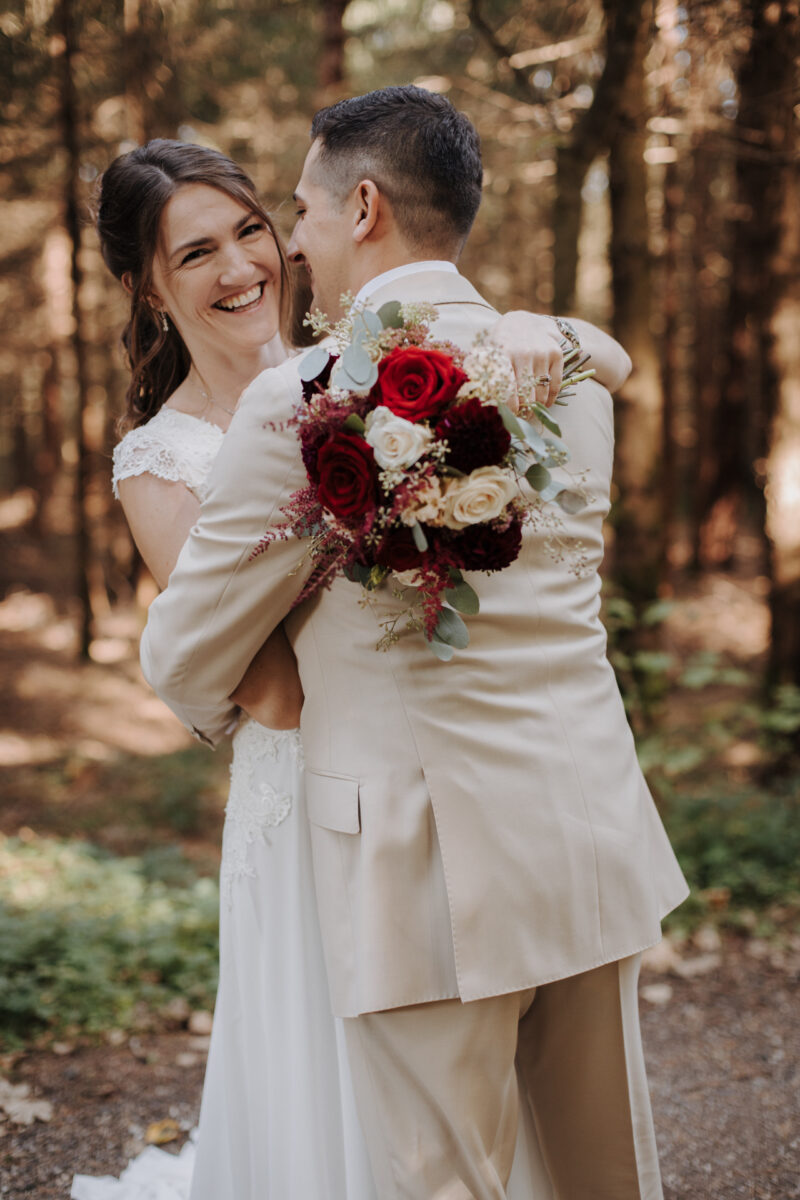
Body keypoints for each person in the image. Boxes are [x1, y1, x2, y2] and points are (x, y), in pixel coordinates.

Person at [139, 87, 689, 1200]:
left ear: (365, 208)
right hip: (582, 826)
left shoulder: (305, 401)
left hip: (418, 864)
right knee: (601, 1177)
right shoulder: (572, 380)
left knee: (444, 1184)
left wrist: (238, 706)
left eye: (299, 208)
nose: (290, 239)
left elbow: (184, 651)